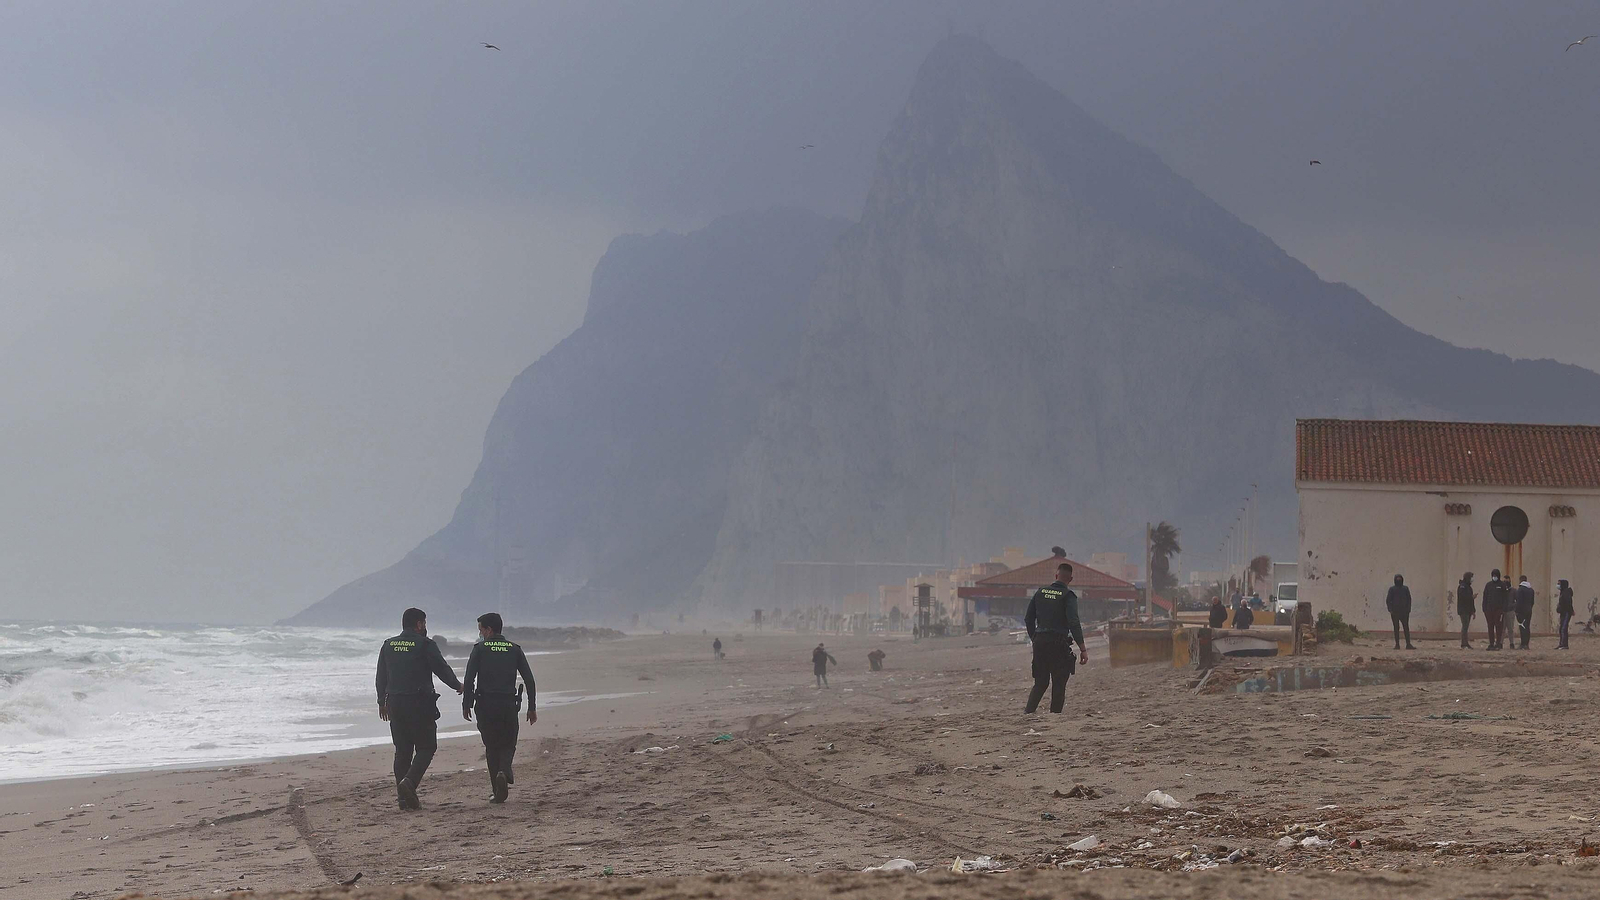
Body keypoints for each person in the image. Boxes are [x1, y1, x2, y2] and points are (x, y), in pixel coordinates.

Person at [376, 607, 463, 811]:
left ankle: (404, 800)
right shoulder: (425, 645)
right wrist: (458, 685)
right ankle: (409, 783)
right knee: (426, 747)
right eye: (424, 623)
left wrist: (382, 702)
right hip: (419, 703)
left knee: (402, 751)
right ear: (419, 624)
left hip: (395, 704)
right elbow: (441, 669)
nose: (425, 627)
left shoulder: (388, 645)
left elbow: (381, 676)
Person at [461, 613, 537, 804]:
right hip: (508, 704)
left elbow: (469, 679)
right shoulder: (514, 649)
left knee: (492, 746)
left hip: (485, 705)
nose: (480, 634)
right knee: (509, 743)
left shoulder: (479, 649)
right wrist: (532, 707)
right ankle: (504, 771)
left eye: (481, 630)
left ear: (489, 629)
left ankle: (497, 790)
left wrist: (466, 704)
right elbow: (529, 679)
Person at [1023, 562, 1088, 714]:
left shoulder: (1040, 592)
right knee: (1059, 683)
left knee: (1040, 683)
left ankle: (1028, 713)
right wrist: (1083, 649)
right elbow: (1073, 622)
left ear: (1056, 576)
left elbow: (1028, 619)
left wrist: (1035, 638)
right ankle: (1054, 717)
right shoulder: (1068, 596)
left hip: (1040, 642)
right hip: (1058, 643)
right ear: (1070, 579)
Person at [1482, 569, 1510, 650]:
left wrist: (1503, 609)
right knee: (1490, 627)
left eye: (1496, 575)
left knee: (1499, 628)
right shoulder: (1488, 585)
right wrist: (1484, 608)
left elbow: (1506, 598)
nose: (1494, 577)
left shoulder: (1502, 585)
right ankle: (1491, 643)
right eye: (1493, 575)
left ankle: (1498, 644)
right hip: (1489, 610)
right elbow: (1485, 597)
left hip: (1499, 610)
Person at [1385, 574, 1415, 650]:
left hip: (1404, 612)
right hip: (1395, 612)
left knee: (1406, 628)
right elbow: (1388, 600)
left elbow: (1409, 599)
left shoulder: (1405, 589)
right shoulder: (1392, 589)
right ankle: (1397, 644)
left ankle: (1408, 644)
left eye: (1400, 579)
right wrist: (1390, 610)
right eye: (1397, 579)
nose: (1399, 580)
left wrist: (1408, 609)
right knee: (1396, 628)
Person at [1514, 577, 1536, 650]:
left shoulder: (1520, 590)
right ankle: (1526, 644)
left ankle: (1523, 644)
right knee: (1527, 627)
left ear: (1520, 580)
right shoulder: (1531, 590)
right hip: (1529, 611)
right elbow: (1532, 602)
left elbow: (1518, 601)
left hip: (1521, 612)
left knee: (1522, 627)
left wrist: (1516, 611)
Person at [1456, 572, 1476, 649]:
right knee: (1465, 626)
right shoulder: (1462, 587)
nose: (1472, 579)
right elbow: (1463, 598)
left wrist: (1473, 611)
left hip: (1468, 610)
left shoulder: (1469, 587)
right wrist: (1471, 597)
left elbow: (1471, 601)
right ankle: (1464, 643)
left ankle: (1465, 642)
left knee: (1466, 626)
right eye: (1471, 577)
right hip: (1463, 610)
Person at [1557, 579, 1575, 650]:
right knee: (1561, 628)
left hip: (1566, 612)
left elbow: (1568, 603)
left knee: (1564, 628)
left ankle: (1564, 645)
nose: (1558, 585)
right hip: (1563, 612)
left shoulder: (1566, 593)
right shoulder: (1563, 592)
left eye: (1559, 584)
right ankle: (1561, 644)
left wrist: (1571, 611)